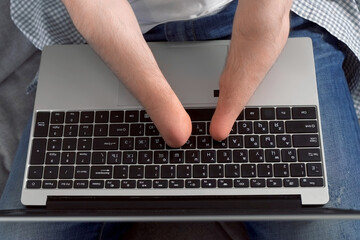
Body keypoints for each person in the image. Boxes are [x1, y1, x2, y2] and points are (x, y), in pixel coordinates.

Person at [1, 0, 360, 239]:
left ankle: (256, 31)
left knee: (331, 229)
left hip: (266, 14)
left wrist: (267, 13)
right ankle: (161, 96)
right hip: (104, 33)